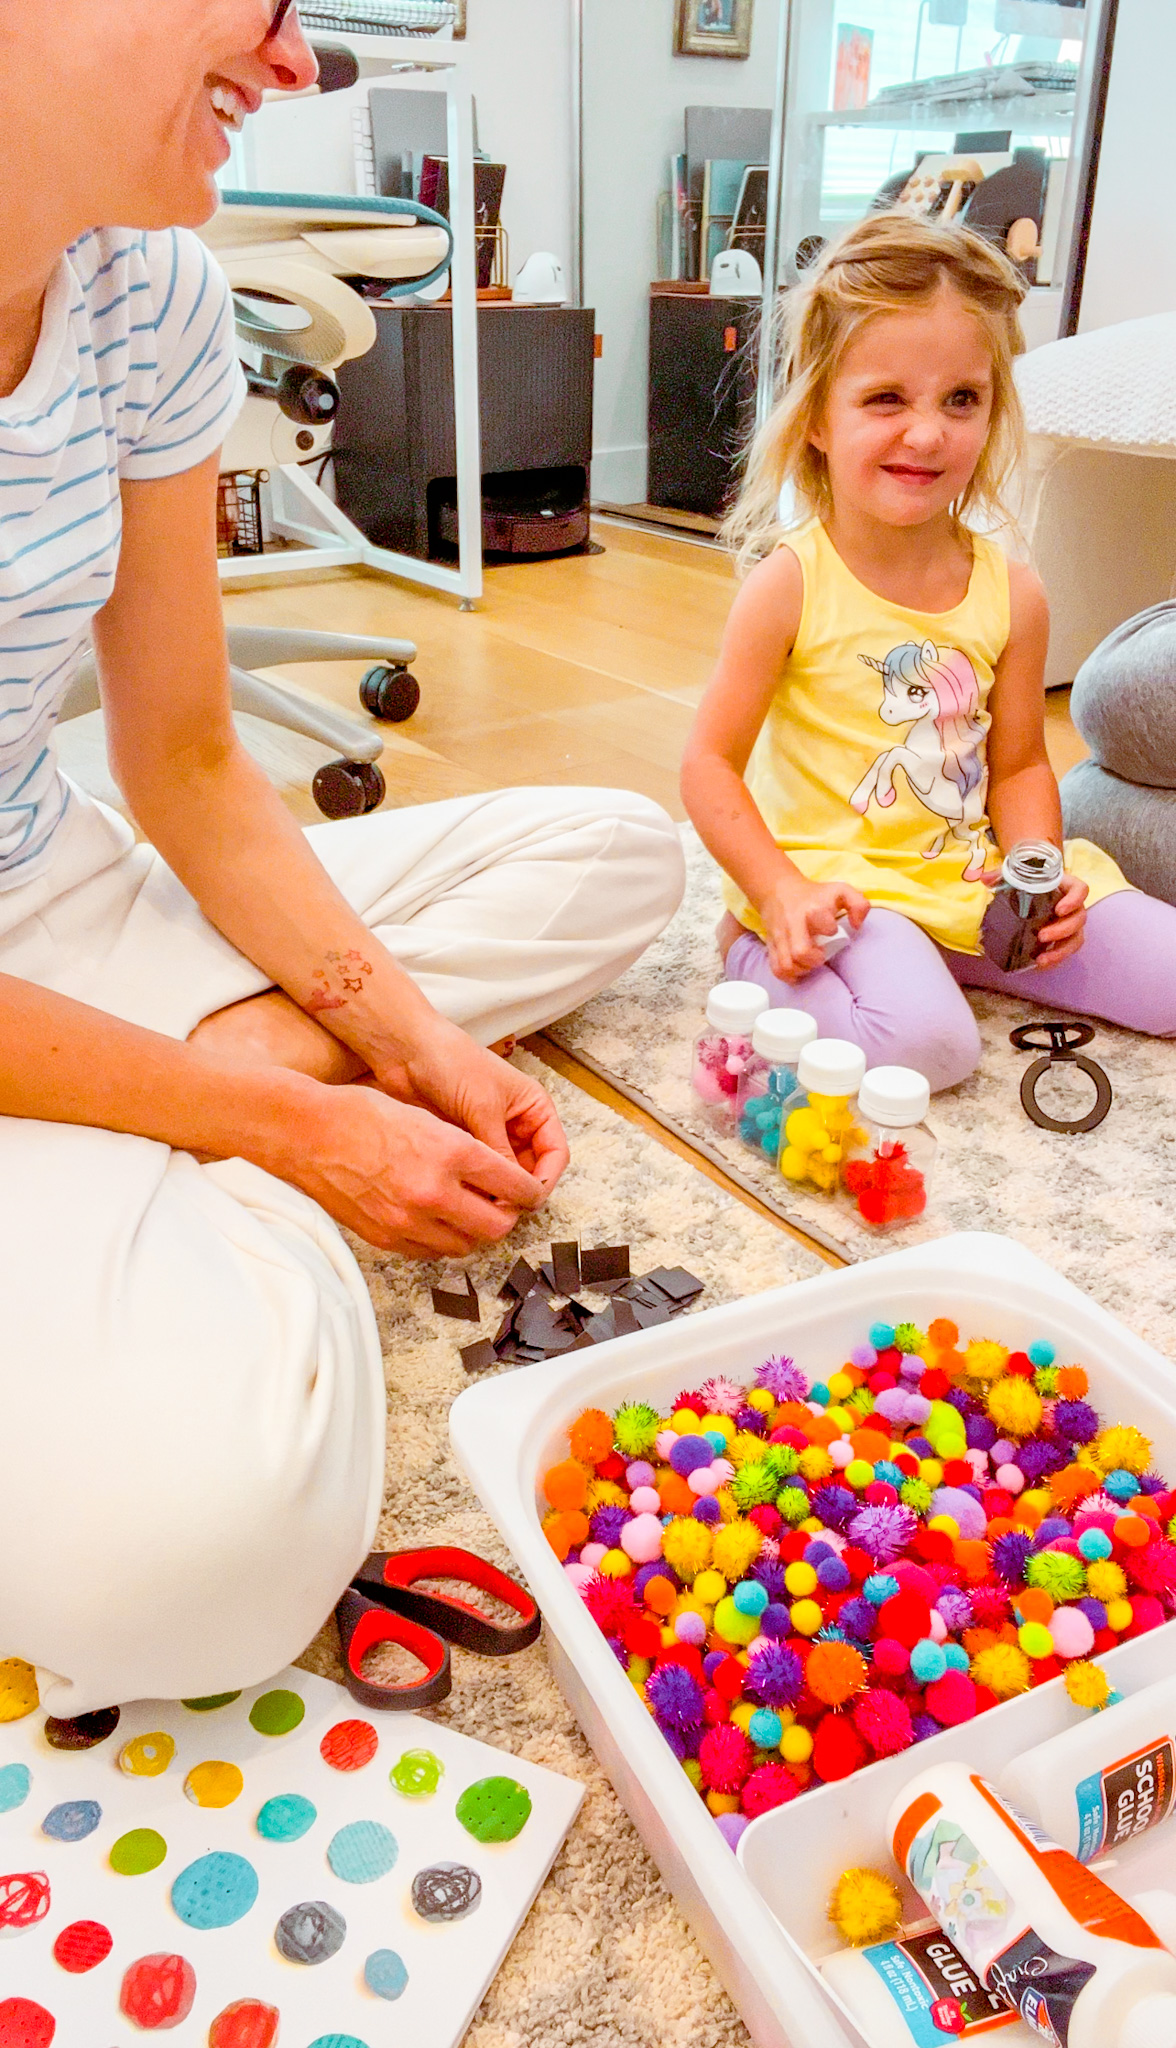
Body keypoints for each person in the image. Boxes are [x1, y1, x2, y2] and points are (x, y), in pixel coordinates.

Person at [0, 0, 684, 1717]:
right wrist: (300, 1126)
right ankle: (184, 1120)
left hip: (64, 893)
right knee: (192, 1577)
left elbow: (187, 758)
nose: (302, 62)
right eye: (270, 3)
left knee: (618, 852)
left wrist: (409, 1038)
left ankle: (165, 1095)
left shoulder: (145, 289)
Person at [681, 213, 1176, 1093]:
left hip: (965, 875)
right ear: (819, 415)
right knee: (929, 1051)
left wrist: (1040, 876)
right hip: (837, 888)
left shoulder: (1013, 589)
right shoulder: (791, 582)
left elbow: (1020, 763)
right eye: (885, 399)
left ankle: (954, 957)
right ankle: (753, 954)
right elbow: (709, 766)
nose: (927, 434)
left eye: (962, 400)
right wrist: (779, 892)